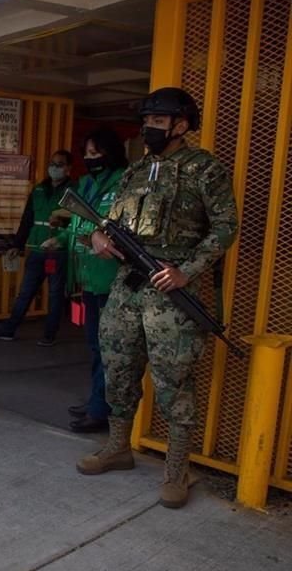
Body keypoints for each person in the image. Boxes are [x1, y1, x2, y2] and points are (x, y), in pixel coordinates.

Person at [77, 87, 239, 509]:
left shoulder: (206, 170)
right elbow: (109, 220)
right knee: (118, 367)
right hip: (128, 286)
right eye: (146, 120)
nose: (148, 128)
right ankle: (118, 448)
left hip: (171, 289)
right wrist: (96, 236)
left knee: (174, 381)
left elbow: (224, 226)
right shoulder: (135, 171)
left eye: (158, 121)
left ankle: (176, 469)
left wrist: (188, 270)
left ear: (181, 125)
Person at [61, 128, 128, 434]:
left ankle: (101, 411)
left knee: (108, 348)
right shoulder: (85, 184)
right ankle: (95, 401)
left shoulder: (125, 182)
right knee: (93, 345)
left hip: (111, 280)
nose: (90, 160)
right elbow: (79, 225)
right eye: (86, 155)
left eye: (95, 154)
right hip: (86, 277)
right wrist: (62, 237)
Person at [0, 150, 74, 345]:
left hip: (57, 250)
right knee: (25, 292)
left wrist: (61, 225)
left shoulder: (73, 191)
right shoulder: (39, 189)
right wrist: (17, 244)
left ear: (68, 169)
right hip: (36, 248)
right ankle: (9, 330)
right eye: (52, 164)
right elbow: (27, 219)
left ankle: (50, 334)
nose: (55, 168)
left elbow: (77, 220)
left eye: (59, 164)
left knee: (55, 294)